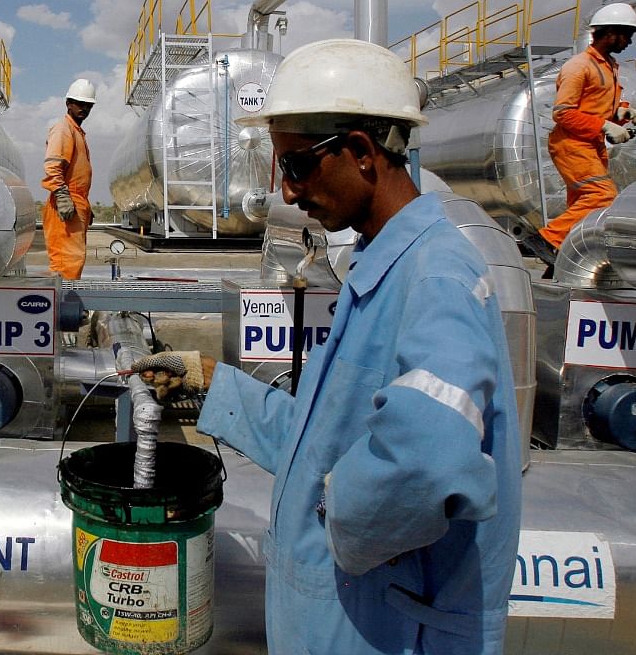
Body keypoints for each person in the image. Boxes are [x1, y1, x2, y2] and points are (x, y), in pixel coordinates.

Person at [132, 39, 523, 654]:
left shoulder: (434, 274)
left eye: (294, 165)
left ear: (363, 153)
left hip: (382, 631)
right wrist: (213, 379)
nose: (286, 193)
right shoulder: (383, 265)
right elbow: (325, 440)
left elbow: (429, 455)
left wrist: (332, 513)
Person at [532, 2, 636, 262]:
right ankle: (547, 240)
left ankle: (566, 253)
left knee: (582, 203)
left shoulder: (609, 66)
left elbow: (595, 105)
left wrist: (620, 113)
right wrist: (604, 125)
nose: (629, 41)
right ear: (610, 33)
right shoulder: (578, 66)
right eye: (627, 34)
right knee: (602, 195)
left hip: (591, 144)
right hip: (571, 143)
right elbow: (563, 113)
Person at [42, 78, 96, 279]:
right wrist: (63, 196)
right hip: (66, 202)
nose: (84, 108)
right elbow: (53, 165)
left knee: (74, 260)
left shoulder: (76, 132)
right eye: (79, 104)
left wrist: (85, 207)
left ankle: (66, 305)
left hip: (76, 202)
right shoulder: (63, 129)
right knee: (66, 261)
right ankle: (62, 307)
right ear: (68, 104)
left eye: (88, 105)